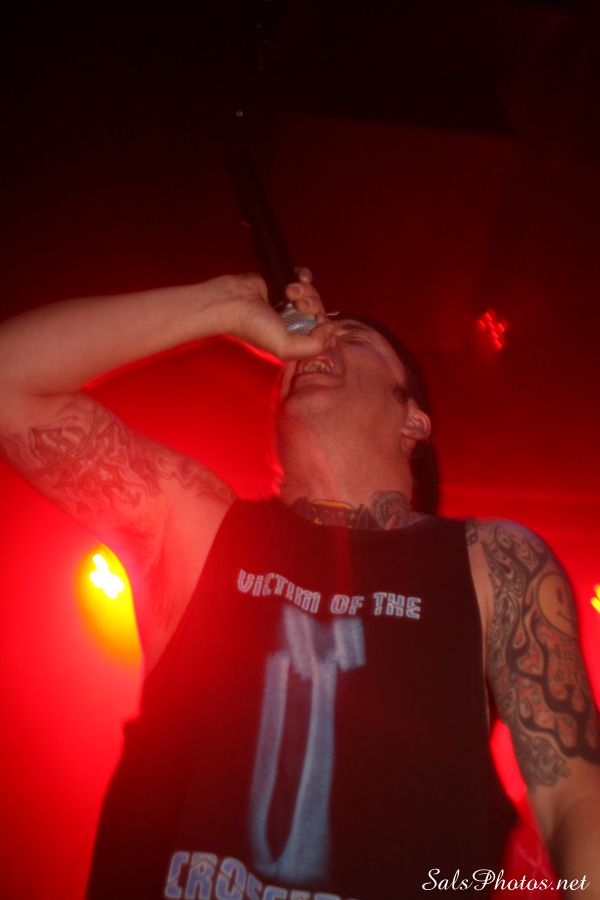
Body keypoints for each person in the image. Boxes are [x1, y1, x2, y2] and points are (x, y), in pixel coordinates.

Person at [0, 270, 598, 899]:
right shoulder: (199, 527)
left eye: (352, 338)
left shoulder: (490, 562)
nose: (317, 342)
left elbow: (574, 800)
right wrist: (224, 307)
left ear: (414, 418)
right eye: (308, 336)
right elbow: (12, 379)